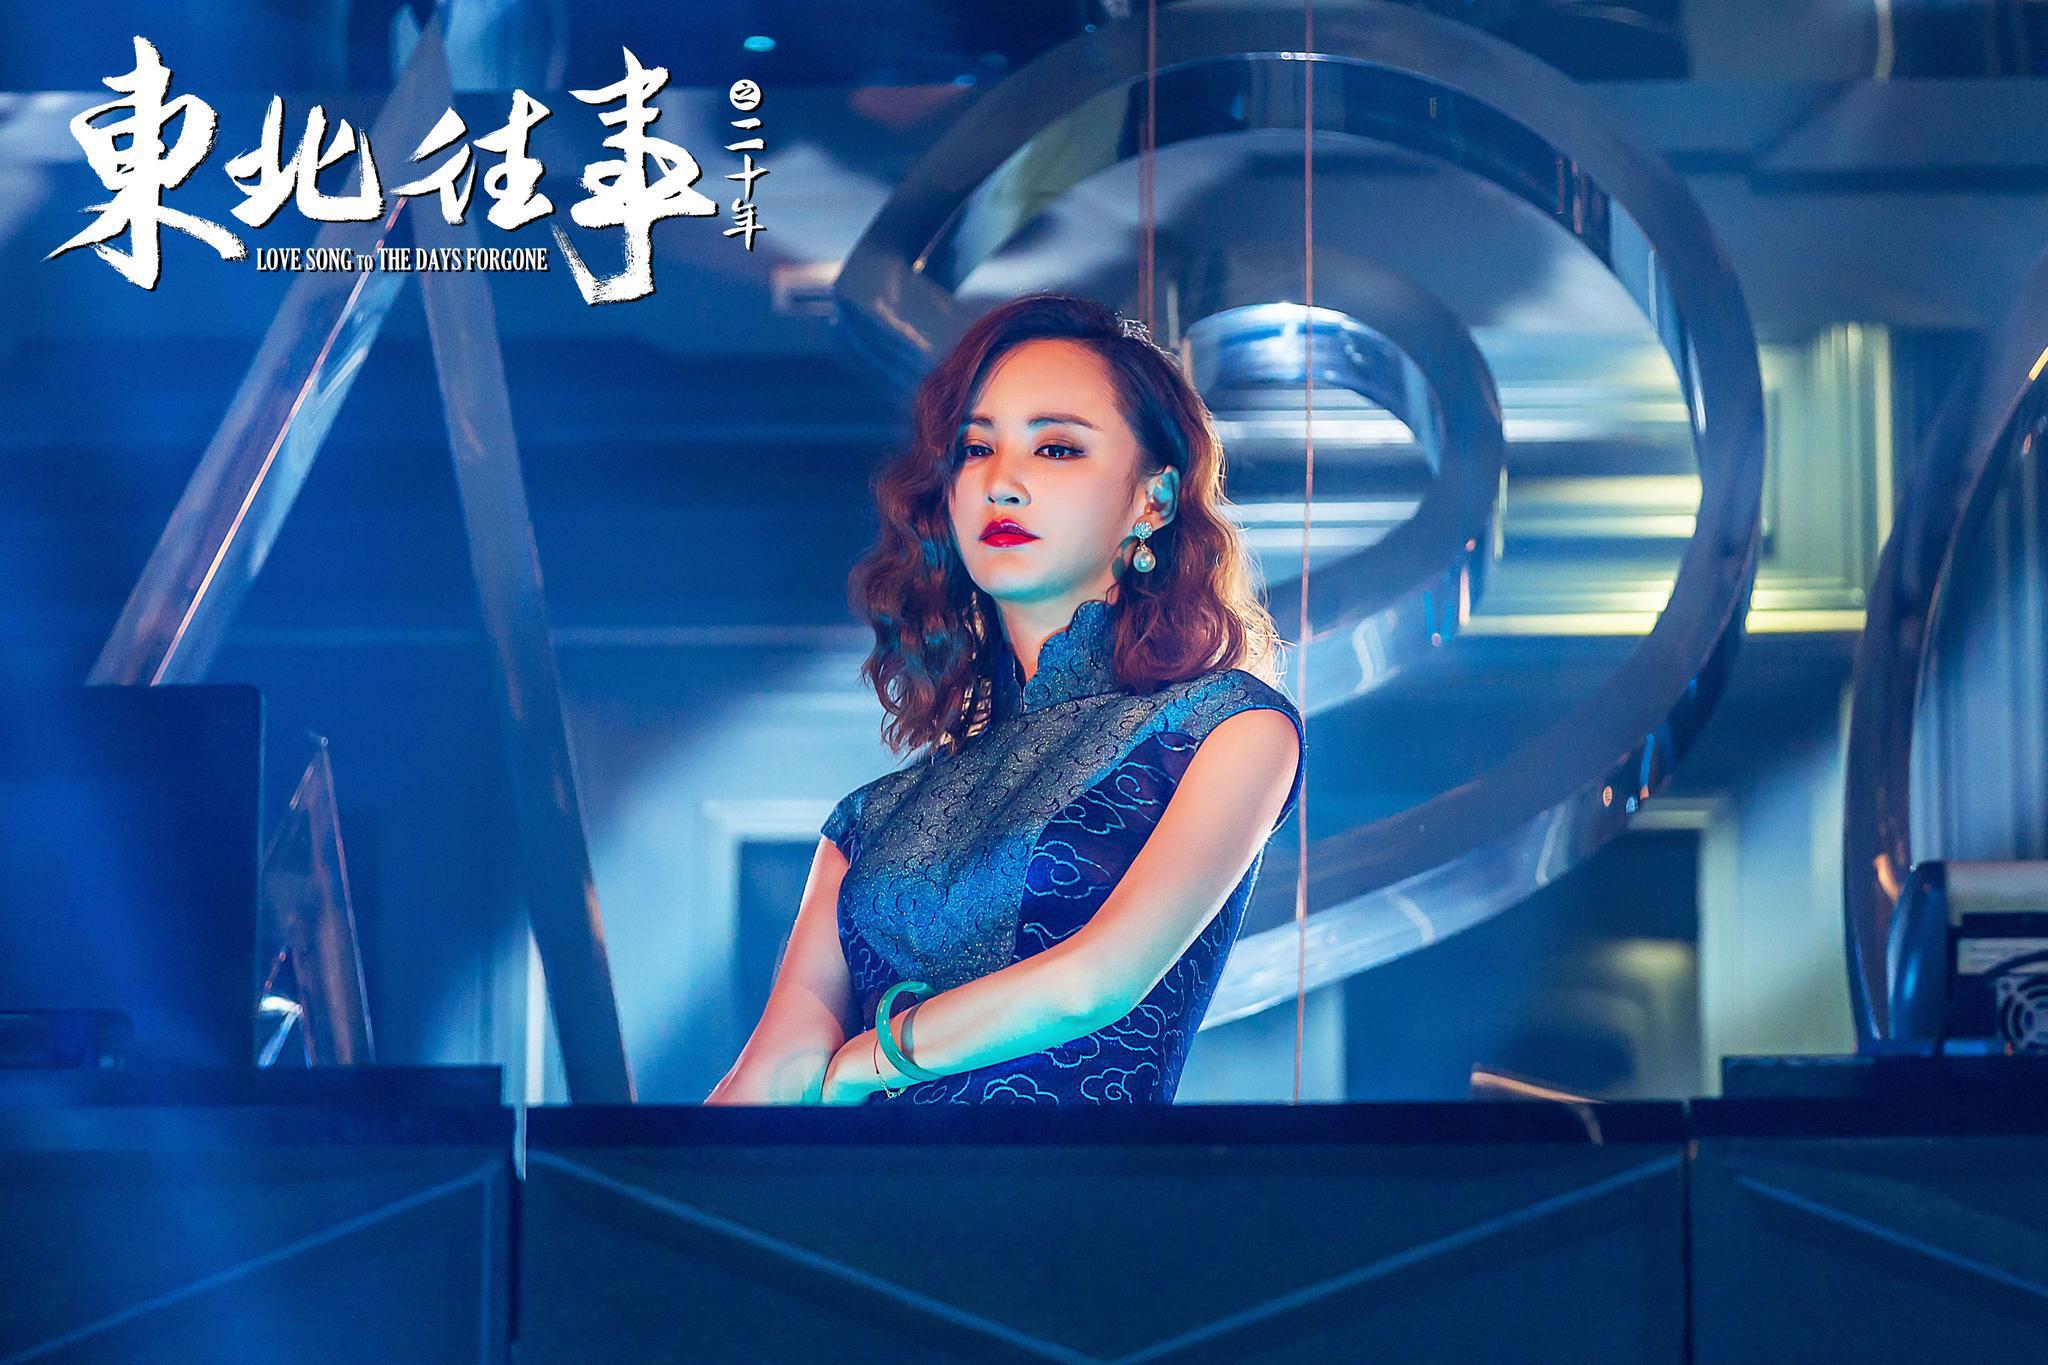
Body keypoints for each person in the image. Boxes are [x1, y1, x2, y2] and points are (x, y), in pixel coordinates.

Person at [706, 292, 1305, 1107]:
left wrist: (872, 1059)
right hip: (852, 1190)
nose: (1002, 483)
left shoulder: (1228, 727)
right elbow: (769, 1077)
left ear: (1154, 499)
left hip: (1076, 1187)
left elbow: (1094, 982)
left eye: (1056, 448)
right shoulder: (868, 821)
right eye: (975, 448)